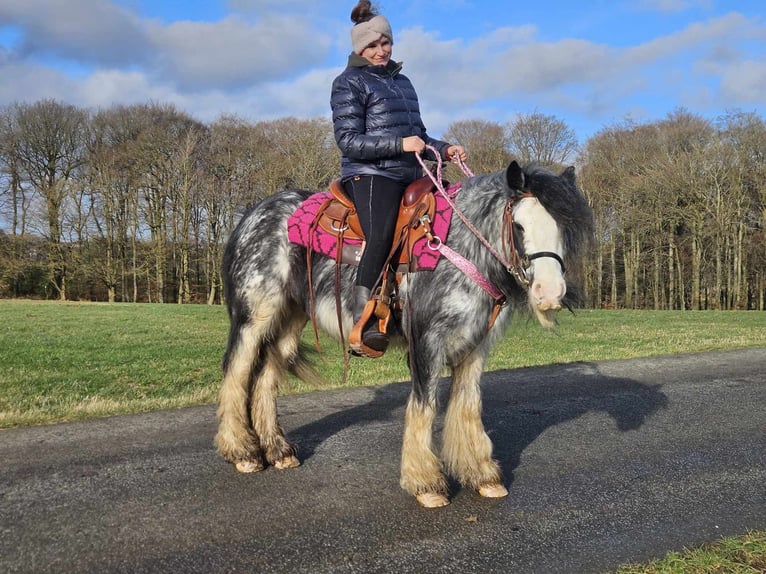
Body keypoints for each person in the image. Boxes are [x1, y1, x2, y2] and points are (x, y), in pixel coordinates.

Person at [331, 0, 466, 356]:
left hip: (412, 172)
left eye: (385, 43)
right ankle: (365, 320)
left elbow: (418, 134)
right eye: (372, 45)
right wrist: (399, 144)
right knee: (382, 232)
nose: (380, 51)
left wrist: (446, 148)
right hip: (370, 174)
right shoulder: (348, 83)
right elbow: (348, 141)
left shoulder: (403, 82)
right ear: (359, 48)